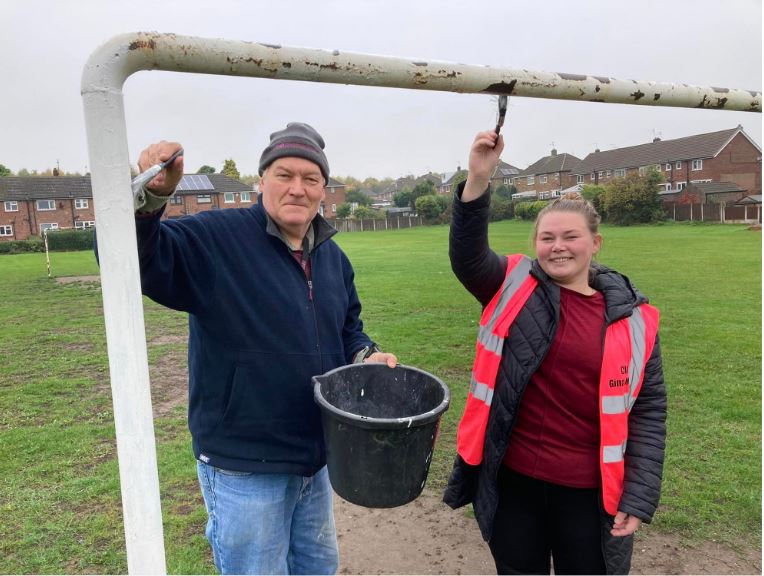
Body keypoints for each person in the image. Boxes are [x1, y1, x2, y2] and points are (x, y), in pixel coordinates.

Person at [130, 122, 397, 575]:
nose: (297, 189)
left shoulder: (333, 257)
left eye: (310, 179)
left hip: (315, 460)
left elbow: (348, 329)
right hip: (244, 467)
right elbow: (135, 259)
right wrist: (152, 200)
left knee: (317, 568)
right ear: (262, 181)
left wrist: (365, 355)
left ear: (323, 190)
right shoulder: (217, 238)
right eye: (284, 175)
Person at [443, 128, 666, 575]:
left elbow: (648, 410)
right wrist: (478, 179)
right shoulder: (511, 284)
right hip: (515, 485)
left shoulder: (635, 320)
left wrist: (639, 495)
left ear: (595, 243)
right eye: (547, 238)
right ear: (535, 244)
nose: (557, 247)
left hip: (589, 495)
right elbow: (468, 257)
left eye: (570, 237)